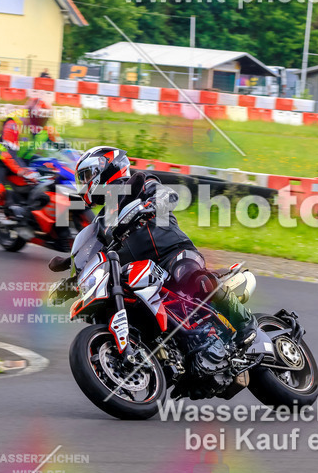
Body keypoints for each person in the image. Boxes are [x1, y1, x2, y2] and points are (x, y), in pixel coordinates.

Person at [74, 146, 257, 347]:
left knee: (190, 278)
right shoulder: (101, 221)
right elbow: (92, 250)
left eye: (87, 176)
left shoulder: (140, 184)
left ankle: (245, 322)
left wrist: (152, 204)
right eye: (82, 179)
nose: (85, 183)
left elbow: (167, 195)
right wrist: (74, 273)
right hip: (140, 270)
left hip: (172, 252)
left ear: (107, 167)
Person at [0, 97, 61, 239]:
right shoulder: (14, 123)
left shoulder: (45, 129)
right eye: (39, 117)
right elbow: (10, 154)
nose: (42, 121)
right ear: (31, 115)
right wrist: (24, 171)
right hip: (1, 157)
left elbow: (62, 147)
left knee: (51, 170)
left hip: (22, 157)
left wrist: (77, 159)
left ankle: (37, 214)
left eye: (45, 118)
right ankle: (3, 215)